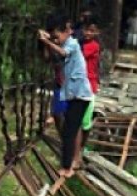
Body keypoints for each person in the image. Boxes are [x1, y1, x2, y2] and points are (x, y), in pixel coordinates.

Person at [38, 13, 93, 178]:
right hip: (67, 92)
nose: (56, 39)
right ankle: (68, 159)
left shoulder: (73, 44)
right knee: (65, 125)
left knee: (71, 129)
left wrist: (47, 41)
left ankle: (69, 163)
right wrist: (45, 41)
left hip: (79, 94)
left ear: (67, 30)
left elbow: (62, 53)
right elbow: (49, 57)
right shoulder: (60, 43)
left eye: (57, 35)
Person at [75, 16, 100, 168]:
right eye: (85, 30)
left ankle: (81, 149)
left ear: (97, 32)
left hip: (89, 86)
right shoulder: (82, 43)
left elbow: (78, 55)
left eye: (91, 31)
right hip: (80, 84)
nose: (87, 33)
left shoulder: (93, 46)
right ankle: (77, 152)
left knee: (85, 122)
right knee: (79, 120)